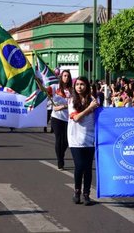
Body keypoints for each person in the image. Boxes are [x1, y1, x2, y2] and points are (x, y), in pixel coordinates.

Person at [68, 76, 98, 206]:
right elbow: (77, 118)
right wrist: (90, 108)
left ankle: (86, 194)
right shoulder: (71, 101)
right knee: (79, 166)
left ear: (87, 86)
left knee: (87, 168)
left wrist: (94, 106)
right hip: (75, 138)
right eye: (77, 84)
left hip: (90, 138)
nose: (79, 87)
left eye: (82, 84)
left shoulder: (93, 100)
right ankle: (77, 191)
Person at [51, 70, 72, 170]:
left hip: (68, 119)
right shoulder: (55, 87)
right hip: (57, 118)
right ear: (61, 77)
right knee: (59, 140)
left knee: (67, 141)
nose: (66, 78)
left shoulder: (71, 90)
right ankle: (60, 160)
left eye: (68, 76)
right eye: (64, 76)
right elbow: (46, 93)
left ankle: (61, 154)